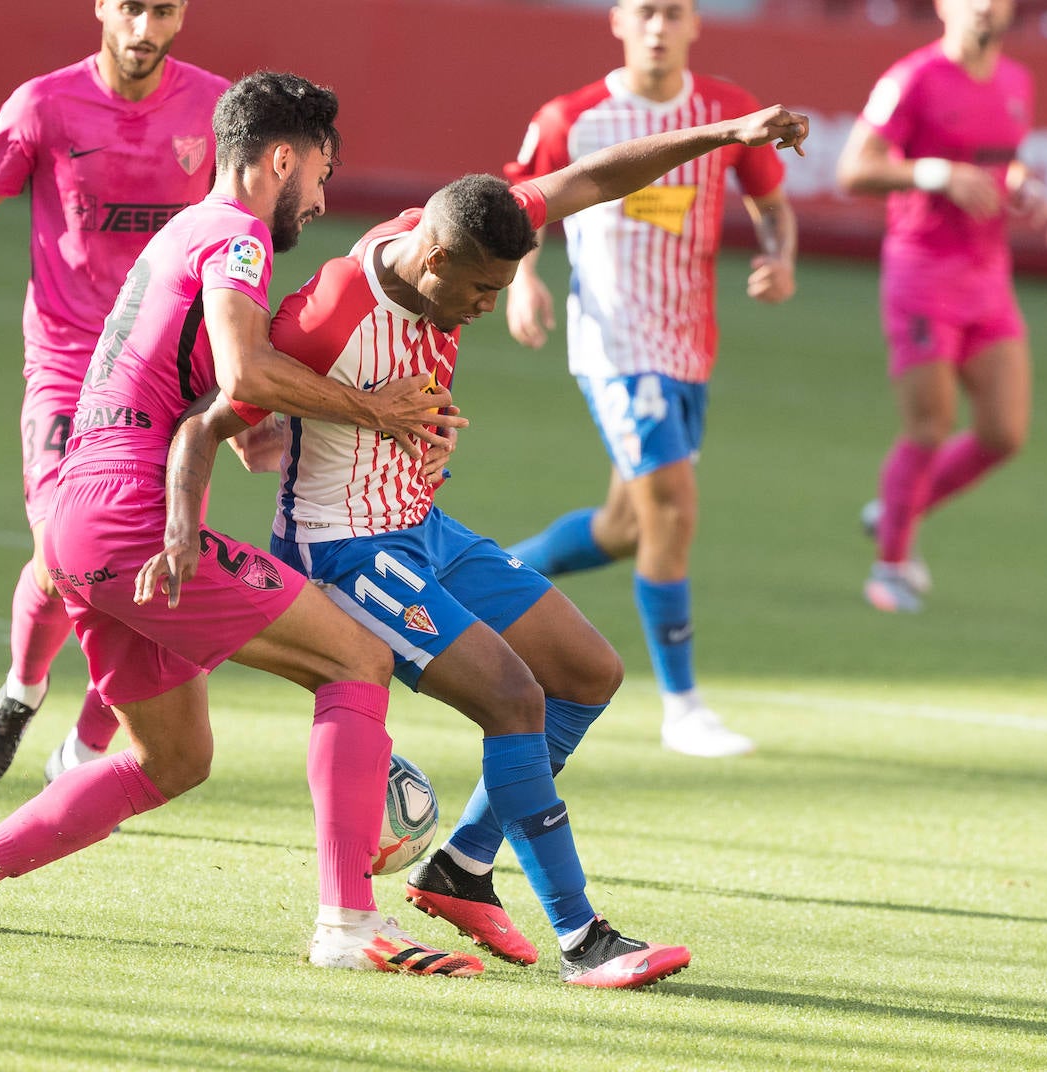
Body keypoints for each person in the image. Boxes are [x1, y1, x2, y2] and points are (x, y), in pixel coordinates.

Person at [142, 104, 810, 986]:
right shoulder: (334, 312)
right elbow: (207, 422)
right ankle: (584, 939)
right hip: (344, 550)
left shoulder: (472, 225)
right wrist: (182, 528)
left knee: (589, 674)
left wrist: (723, 136)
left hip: (425, 529)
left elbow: (598, 177)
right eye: (480, 291)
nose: (488, 309)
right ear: (432, 258)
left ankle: (459, 866)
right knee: (513, 697)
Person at [0, 71, 483, 978]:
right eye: (320, 173)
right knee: (357, 658)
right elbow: (243, 375)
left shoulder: (183, 232)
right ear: (281, 158)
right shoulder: (240, 237)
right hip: (123, 513)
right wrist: (376, 410)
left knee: (174, 759)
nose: (319, 200)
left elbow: (207, 401)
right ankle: (349, 927)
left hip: (80, 522)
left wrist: (258, 443)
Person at [0, 0, 230, 789]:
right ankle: (22, 689)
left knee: (158, 562)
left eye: (162, 11)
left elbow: (249, 218)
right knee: (61, 550)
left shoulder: (216, 108)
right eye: (130, 8)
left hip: (170, 369)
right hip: (68, 359)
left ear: (182, 15)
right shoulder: (44, 104)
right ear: (101, 8)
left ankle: (82, 751)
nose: (144, 29)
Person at [502, 0, 798, 759]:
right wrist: (524, 279)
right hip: (614, 343)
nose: (659, 27)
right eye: (645, 12)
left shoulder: (727, 111)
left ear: (695, 25)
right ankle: (682, 706)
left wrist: (780, 255)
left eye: (674, 12)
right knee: (672, 501)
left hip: (689, 346)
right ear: (618, 23)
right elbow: (520, 203)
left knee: (626, 527)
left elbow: (772, 202)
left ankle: (493, 576)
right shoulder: (574, 117)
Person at [835, 0, 1047, 613]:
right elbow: (854, 168)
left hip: (987, 277)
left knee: (1003, 432)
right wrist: (935, 175)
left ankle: (896, 511)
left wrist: (1022, 185)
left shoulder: (1017, 81)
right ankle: (890, 567)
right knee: (930, 426)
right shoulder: (911, 78)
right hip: (922, 274)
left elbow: (997, 161)